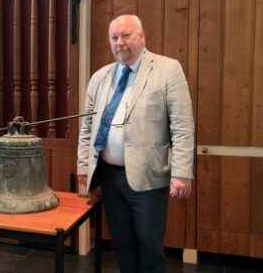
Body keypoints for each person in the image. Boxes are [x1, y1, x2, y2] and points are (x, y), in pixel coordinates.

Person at [77, 14, 194, 273]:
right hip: (109, 176)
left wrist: (182, 173)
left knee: (150, 246)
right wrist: (83, 167)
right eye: (114, 37)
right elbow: (86, 128)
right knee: (122, 244)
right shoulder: (99, 77)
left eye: (126, 36)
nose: (120, 42)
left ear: (142, 36)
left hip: (148, 178)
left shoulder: (168, 69)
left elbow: (182, 126)